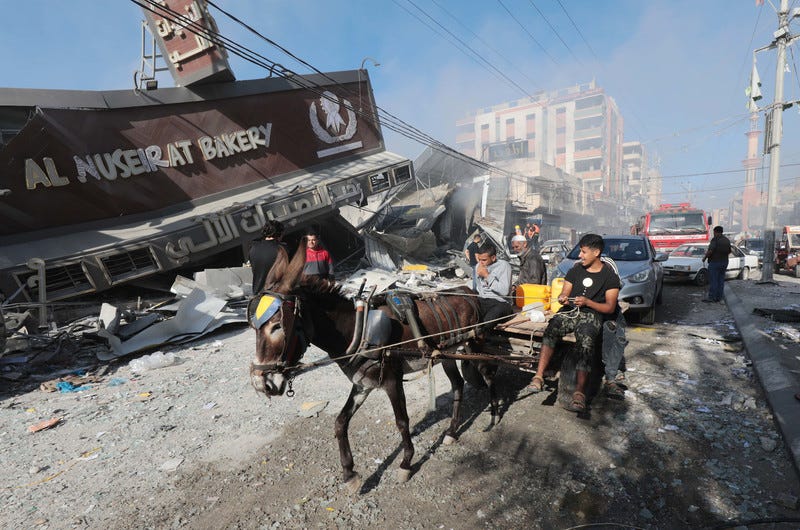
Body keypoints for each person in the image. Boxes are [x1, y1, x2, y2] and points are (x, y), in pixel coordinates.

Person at [529, 234, 621, 413]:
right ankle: (539, 376)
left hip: (592, 315)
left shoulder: (610, 276)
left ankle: (579, 392)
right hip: (570, 312)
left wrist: (588, 303)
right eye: (580, 251)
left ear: (596, 252)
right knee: (551, 329)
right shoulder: (575, 270)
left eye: (584, 252)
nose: (580, 255)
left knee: (586, 342)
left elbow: (610, 307)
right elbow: (565, 292)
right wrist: (563, 298)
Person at [474, 242, 514, 334]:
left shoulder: (504, 266)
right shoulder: (478, 266)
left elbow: (504, 291)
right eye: (479, 259)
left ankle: (480, 336)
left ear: (493, 258)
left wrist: (487, 276)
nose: (481, 262)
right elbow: (478, 288)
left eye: (484, 260)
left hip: (501, 302)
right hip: (483, 300)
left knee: (488, 320)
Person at [249, 220, 285, 294]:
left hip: (258, 295)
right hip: (276, 295)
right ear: (279, 234)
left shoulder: (253, 248)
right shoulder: (282, 250)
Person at [703, 226, 731, 303]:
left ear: (715, 232)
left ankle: (712, 297)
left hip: (715, 262)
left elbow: (710, 251)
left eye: (714, 232)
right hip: (724, 262)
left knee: (713, 280)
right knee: (720, 280)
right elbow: (729, 251)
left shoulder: (715, 239)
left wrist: (705, 258)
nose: (714, 233)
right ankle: (719, 297)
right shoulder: (726, 240)